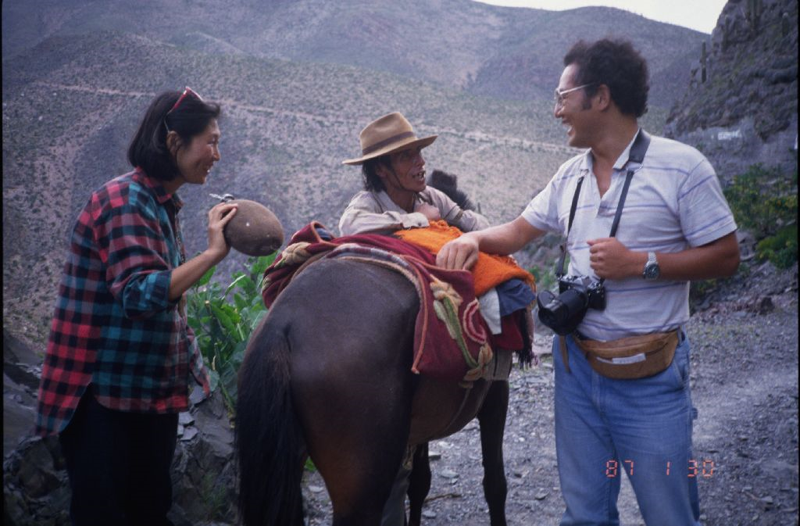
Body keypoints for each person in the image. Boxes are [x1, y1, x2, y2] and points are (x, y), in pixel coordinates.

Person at [437, 39, 740, 525]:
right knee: (585, 515)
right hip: (576, 371)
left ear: (600, 96)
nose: (557, 112)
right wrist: (473, 241)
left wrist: (640, 263)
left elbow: (726, 256)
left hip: (651, 377)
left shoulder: (682, 167)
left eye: (562, 98)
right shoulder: (569, 176)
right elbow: (518, 231)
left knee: (669, 514)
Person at [35, 87, 238, 526]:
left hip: (145, 395)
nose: (217, 154)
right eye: (211, 141)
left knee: (149, 509)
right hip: (101, 397)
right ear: (173, 142)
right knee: (102, 514)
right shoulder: (124, 201)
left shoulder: (159, 204)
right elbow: (139, 294)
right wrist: (212, 254)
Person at [339, 111, 489, 236]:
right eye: (405, 157)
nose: (421, 162)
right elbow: (349, 226)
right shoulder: (370, 201)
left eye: (418, 153)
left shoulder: (432, 197)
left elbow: (472, 222)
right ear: (380, 169)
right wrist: (419, 218)